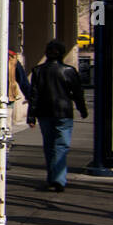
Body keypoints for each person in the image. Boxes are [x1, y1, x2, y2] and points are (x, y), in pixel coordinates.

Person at [27, 39, 88, 193]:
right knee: (61, 146)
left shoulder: (38, 71)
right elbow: (78, 93)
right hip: (63, 112)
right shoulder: (69, 71)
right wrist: (82, 109)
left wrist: (31, 116)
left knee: (49, 146)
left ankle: (52, 177)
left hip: (44, 113)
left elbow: (34, 95)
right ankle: (58, 179)